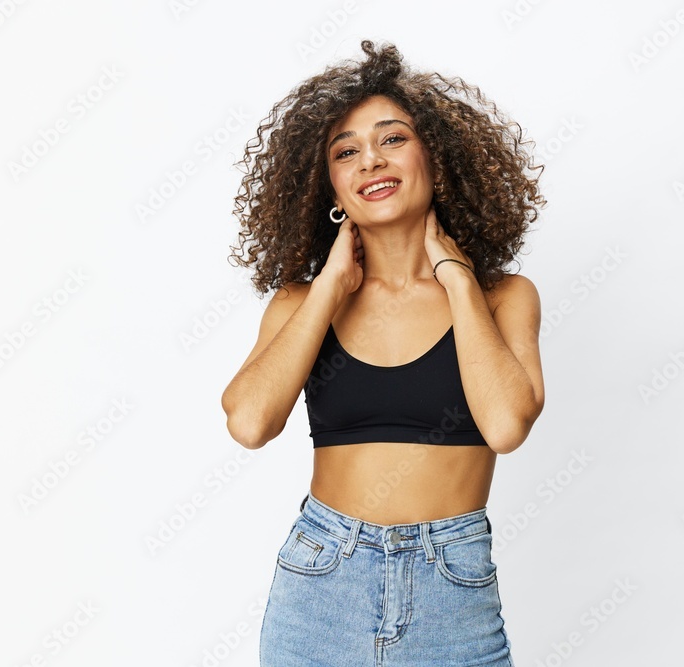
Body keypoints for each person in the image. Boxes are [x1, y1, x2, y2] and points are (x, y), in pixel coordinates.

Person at [221, 39, 546, 666]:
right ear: (331, 188)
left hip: (452, 587)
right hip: (321, 582)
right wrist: (328, 288)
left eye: (392, 139)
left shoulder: (502, 297)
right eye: (346, 152)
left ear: (437, 161)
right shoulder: (300, 304)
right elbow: (249, 423)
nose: (371, 160)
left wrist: (456, 278)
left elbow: (506, 427)